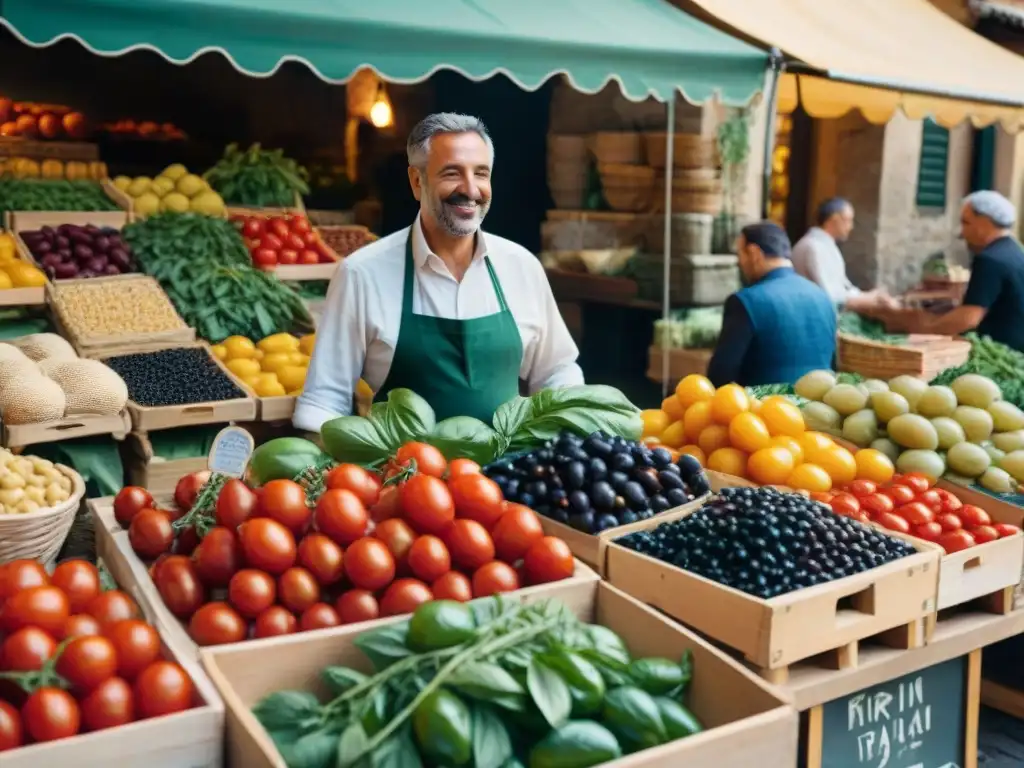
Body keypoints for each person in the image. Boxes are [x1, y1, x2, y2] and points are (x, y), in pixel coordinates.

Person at [294, 113, 583, 432]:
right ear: (417, 182)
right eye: (452, 173)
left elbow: (557, 370)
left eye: (481, 174)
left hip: (509, 475)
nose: (471, 189)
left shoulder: (521, 267)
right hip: (405, 477)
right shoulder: (362, 274)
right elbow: (325, 399)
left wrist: (565, 435)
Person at [886, 190, 1024, 350]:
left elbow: (968, 318)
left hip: (1004, 351)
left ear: (985, 222)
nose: (962, 232)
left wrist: (926, 329)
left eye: (966, 223)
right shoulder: (1014, 251)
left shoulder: (990, 259)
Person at [707, 222, 837, 387]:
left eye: (740, 254)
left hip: (765, 410)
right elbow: (832, 364)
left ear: (754, 253)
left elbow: (720, 376)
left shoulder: (746, 301)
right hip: (817, 408)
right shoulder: (823, 297)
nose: (739, 263)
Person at [792, 197, 898, 312]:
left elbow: (843, 288)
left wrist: (870, 296)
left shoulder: (824, 245)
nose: (851, 227)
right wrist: (870, 299)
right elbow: (832, 297)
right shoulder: (814, 247)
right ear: (835, 219)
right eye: (848, 220)